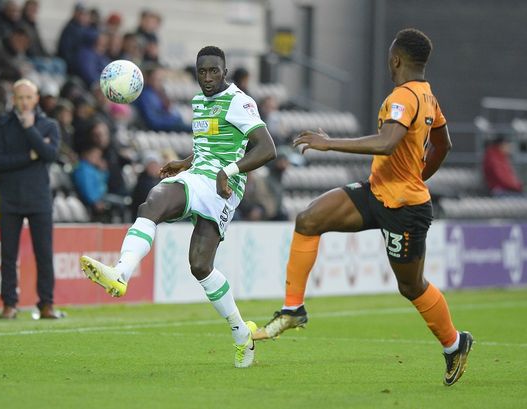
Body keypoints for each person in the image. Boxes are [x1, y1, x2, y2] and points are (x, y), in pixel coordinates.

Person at [254, 29, 473, 386]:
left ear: (397, 59)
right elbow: (443, 144)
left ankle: (454, 344)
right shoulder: (427, 96)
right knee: (309, 219)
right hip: (377, 192)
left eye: (390, 56)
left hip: (405, 209)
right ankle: (293, 309)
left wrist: (329, 143)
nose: (389, 61)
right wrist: (420, 174)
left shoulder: (403, 97)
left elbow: (387, 143)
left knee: (411, 286)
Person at [80, 46, 277, 368]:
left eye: (215, 71)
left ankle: (240, 331)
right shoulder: (199, 102)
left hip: (225, 186)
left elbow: (267, 149)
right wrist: (185, 163)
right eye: (203, 72)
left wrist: (228, 172)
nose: (209, 78)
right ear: (196, 74)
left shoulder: (239, 102)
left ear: (225, 72)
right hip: (200, 176)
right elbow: (210, 146)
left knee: (200, 265)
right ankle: (121, 273)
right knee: (153, 204)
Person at [0, 79, 62, 320]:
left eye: (28, 97)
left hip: (39, 198)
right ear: (13, 99)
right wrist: (31, 156)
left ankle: (46, 304)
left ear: (36, 99)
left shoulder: (48, 125)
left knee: (44, 254)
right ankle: (9, 304)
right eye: (20, 97)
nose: (24, 102)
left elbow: (50, 155)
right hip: (10, 198)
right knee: (8, 255)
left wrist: (30, 130)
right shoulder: (2, 124)